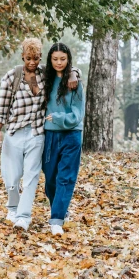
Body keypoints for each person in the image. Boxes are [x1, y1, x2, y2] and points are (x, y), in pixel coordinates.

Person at [0, 37, 79, 231]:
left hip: (36, 133)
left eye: (36, 58)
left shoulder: (45, 74)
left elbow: (65, 70)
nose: (32, 62)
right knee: (12, 178)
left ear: (41, 57)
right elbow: (3, 106)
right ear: (22, 56)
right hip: (14, 132)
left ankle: (24, 217)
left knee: (31, 176)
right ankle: (13, 207)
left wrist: (73, 73)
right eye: (28, 58)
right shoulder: (12, 76)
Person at [42, 42, 85, 236]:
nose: (59, 62)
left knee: (65, 178)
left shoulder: (74, 82)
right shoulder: (45, 79)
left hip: (72, 134)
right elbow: (27, 67)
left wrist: (60, 118)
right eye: (55, 59)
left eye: (63, 59)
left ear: (68, 60)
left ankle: (57, 220)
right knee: (50, 179)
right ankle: (60, 210)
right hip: (50, 134)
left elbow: (78, 112)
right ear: (50, 60)